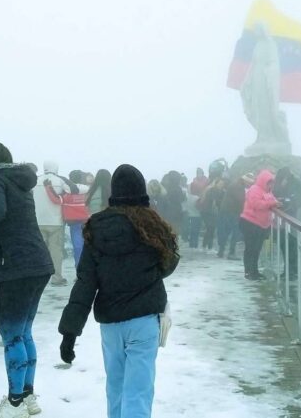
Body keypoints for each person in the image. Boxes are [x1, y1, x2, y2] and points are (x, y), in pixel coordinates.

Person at [58, 164, 180, 418]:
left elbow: (85, 283)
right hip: (145, 320)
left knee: (116, 387)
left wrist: (70, 331)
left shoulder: (96, 227)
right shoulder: (153, 225)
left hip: (111, 324)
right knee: (138, 391)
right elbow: (169, 264)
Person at [0, 141, 55, 418]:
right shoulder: (21, 181)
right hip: (38, 262)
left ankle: (15, 403)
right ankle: (27, 396)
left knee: (11, 336)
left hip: (15, 266)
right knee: (24, 333)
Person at [239, 170, 280, 280]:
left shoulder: (268, 192)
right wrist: (272, 203)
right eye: (269, 182)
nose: (270, 185)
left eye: (272, 183)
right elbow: (256, 204)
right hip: (250, 222)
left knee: (256, 249)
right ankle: (249, 272)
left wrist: (277, 203)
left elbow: (272, 201)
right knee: (250, 248)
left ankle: (254, 271)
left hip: (261, 225)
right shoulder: (254, 190)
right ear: (263, 181)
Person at [33, 161, 69, 286]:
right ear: (56, 168)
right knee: (56, 251)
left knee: (39, 251)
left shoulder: (35, 181)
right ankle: (57, 278)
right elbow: (70, 192)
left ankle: (38, 278)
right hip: (56, 221)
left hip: (38, 221)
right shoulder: (60, 181)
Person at [273, 168, 301, 279]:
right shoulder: (293, 183)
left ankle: (291, 271)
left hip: (288, 219)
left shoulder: (292, 184)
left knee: (289, 246)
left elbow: (293, 200)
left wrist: (284, 201)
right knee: (287, 246)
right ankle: (291, 270)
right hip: (287, 219)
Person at [217, 174, 248, 259]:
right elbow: (240, 198)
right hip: (232, 212)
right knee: (235, 232)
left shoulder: (236, 185)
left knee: (226, 231)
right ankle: (231, 252)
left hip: (228, 211)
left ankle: (221, 251)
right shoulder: (238, 186)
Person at [198, 177, 225, 253]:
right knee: (210, 228)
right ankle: (206, 247)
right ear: (216, 184)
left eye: (222, 184)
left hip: (214, 212)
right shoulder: (211, 190)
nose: (221, 185)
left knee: (211, 229)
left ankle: (208, 247)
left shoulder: (222, 192)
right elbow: (211, 200)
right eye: (220, 183)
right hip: (207, 212)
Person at [157, 171, 185, 236]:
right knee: (173, 234)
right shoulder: (177, 188)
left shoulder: (163, 188)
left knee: (166, 234)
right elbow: (179, 200)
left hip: (165, 215)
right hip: (174, 215)